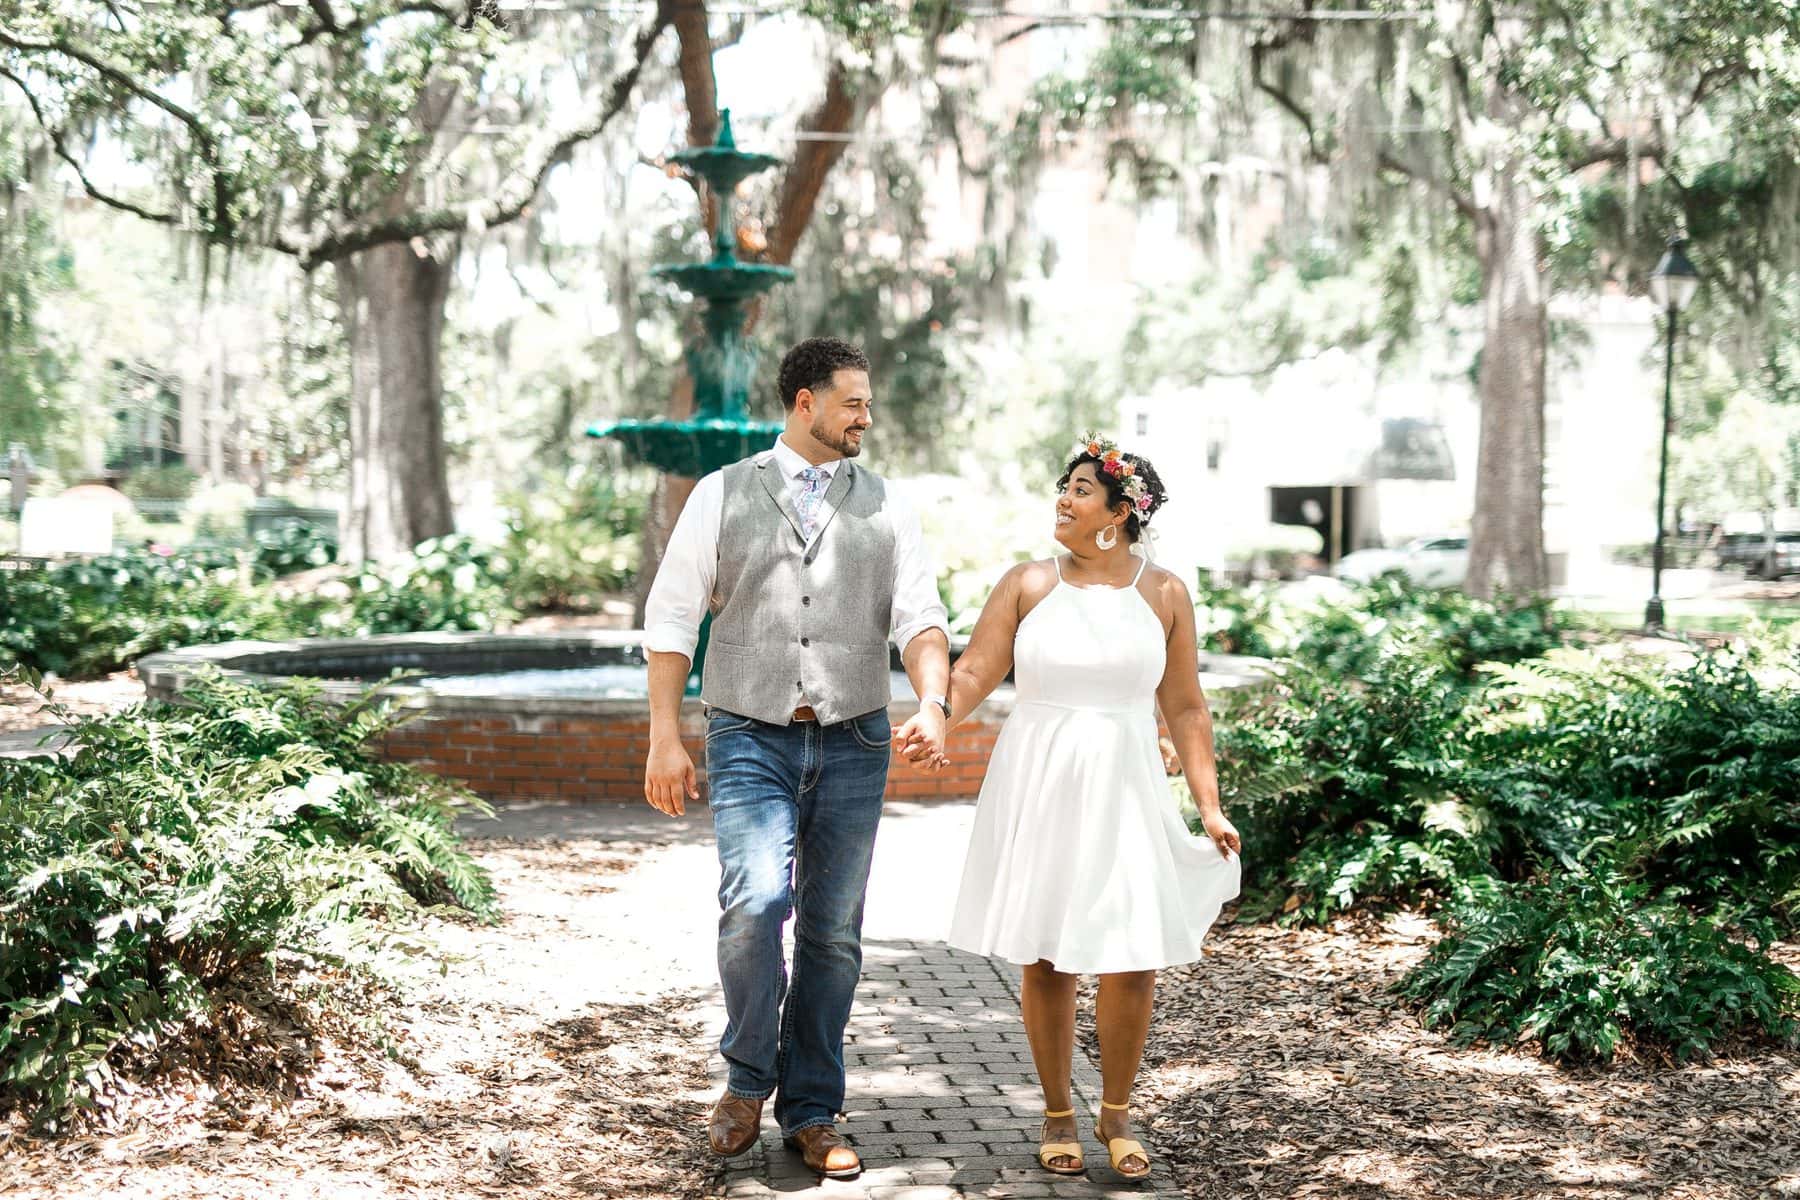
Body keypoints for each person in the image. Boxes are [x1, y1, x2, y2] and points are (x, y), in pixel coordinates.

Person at [640, 336, 952, 1180]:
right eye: (853, 401)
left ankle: (812, 1109)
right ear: (805, 403)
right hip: (748, 733)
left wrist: (933, 700)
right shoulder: (722, 493)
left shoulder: (888, 505)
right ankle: (747, 1078)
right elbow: (671, 619)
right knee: (754, 903)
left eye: (868, 402)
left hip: (855, 737)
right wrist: (665, 735)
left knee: (832, 935)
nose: (867, 416)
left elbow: (921, 618)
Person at [914, 433, 1242, 1181]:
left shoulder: (1163, 593)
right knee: (1049, 951)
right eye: (1063, 486)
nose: (1063, 498)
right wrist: (938, 716)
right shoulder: (1027, 582)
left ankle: (1117, 1113)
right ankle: (1058, 1110)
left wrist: (1209, 805)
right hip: (1042, 774)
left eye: (1081, 489)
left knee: (1133, 955)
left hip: (1126, 776)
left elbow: (1187, 708)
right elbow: (974, 670)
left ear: (1122, 512)